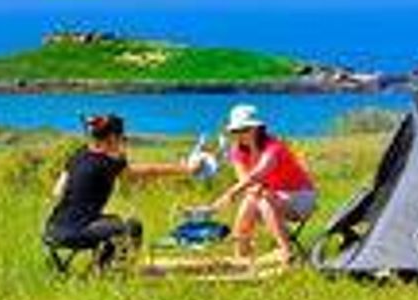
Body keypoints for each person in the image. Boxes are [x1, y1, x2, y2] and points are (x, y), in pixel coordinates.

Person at [44, 114, 196, 272]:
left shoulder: (79, 154)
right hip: (75, 233)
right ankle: (113, 271)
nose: (124, 141)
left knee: (113, 221)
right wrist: (185, 168)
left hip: (52, 230)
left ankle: (100, 267)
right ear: (112, 138)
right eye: (122, 138)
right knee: (132, 227)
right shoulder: (110, 163)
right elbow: (147, 172)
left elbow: (57, 191)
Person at [210, 104, 317, 264]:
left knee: (262, 199)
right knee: (253, 199)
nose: (241, 135)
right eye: (236, 131)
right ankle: (241, 253)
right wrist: (251, 190)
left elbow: (259, 173)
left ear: (257, 129)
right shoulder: (237, 151)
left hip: (299, 197)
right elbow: (243, 178)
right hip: (272, 196)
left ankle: (286, 251)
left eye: (245, 129)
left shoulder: (274, 147)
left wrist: (230, 193)